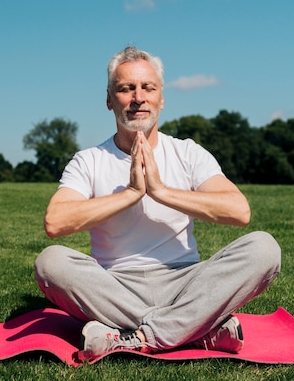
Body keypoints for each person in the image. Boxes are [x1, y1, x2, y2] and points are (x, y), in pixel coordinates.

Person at [34, 46, 280, 360]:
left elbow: (239, 211)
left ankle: (134, 335)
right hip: (114, 287)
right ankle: (197, 329)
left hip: (186, 283)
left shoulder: (189, 153)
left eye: (148, 88)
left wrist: (161, 191)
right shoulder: (89, 161)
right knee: (50, 263)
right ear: (109, 100)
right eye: (126, 89)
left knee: (264, 248)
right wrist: (130, 194)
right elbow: (55, 222)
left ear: (161, 98)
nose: (138, 97)